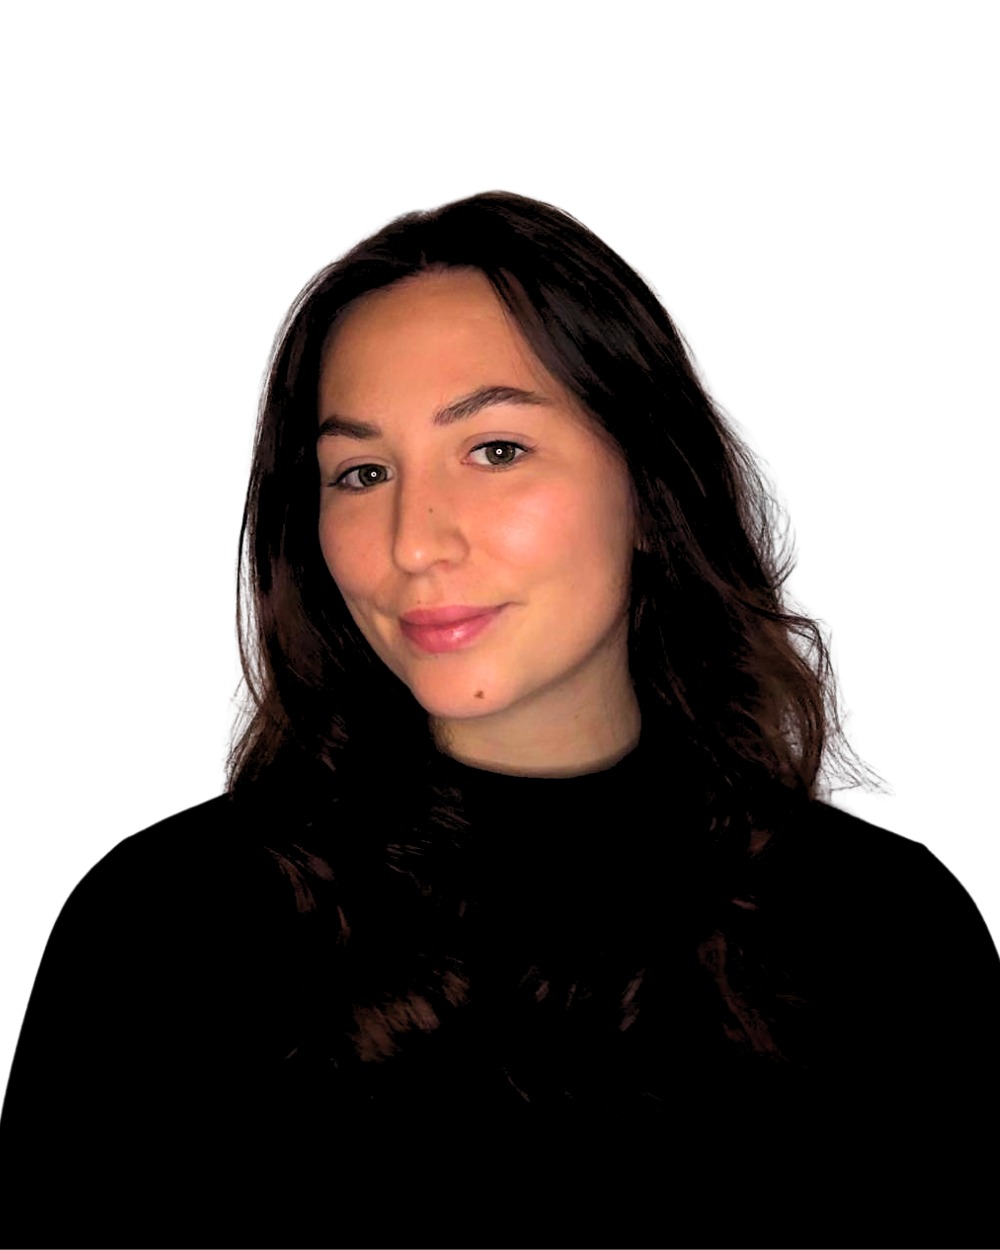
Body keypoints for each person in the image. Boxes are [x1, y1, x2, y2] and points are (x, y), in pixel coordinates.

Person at [1, 191, 997, 1250]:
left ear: (651, 486)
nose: (414, 540)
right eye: (362, 472)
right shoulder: (162, 931)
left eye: (495, 450)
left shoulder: (887, 936)